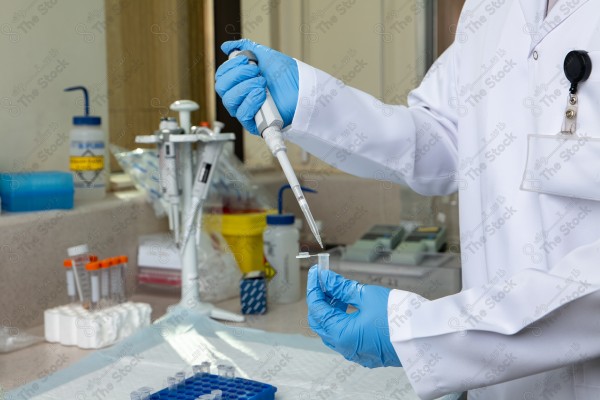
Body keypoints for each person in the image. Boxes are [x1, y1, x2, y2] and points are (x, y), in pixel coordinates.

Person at [215, 0, 600, 398]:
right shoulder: (490, 8)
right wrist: (313, 104)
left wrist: (421, 331)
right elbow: (442, 139)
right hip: (497, 387)